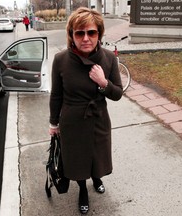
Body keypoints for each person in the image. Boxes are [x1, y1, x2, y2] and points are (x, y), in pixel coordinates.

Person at [49, 7, 123, 214]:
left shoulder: (108, 58)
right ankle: (82, 188)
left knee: (97, 156)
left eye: (91, 32)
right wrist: (53, 123)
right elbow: (56, 95)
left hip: (98, 118)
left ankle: (97, 177)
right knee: (78, 159)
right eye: (79, 33)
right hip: (72, 121)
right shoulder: (61, 60)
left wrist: (103, 82)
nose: (86, 38)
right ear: (72, 35)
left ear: (99, 34)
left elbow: (117, 94)